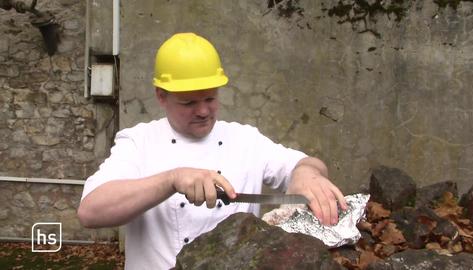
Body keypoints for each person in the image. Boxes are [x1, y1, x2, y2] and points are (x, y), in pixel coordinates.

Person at [77, 32, 347, 270]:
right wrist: (172, 179)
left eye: (210, 98)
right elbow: (90, 211)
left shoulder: (245, 139)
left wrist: (307, 174)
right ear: (161, 96)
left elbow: (307, 164)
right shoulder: (138, 141)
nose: (204, 111)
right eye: (189, 102)